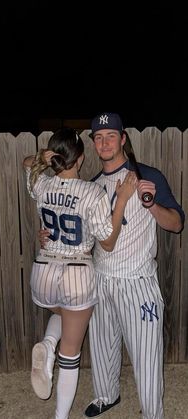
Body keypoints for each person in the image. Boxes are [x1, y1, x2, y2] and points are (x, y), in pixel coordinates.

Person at [39, 114, 185, 419]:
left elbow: (176, 224)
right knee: (103, 346)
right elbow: (80, 236)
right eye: (98, 137)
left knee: (146, 355)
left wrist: (152, 205)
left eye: (110, 136)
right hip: (100, 277)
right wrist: (50, 236)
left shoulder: (149, 176)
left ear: (122, 139)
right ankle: (106, 396)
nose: (104, 142)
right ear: (93, 145)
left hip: (137, 280)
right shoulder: (91, 186)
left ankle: (152, 413)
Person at [23, 126, 137, 419]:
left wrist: (42, 158)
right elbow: (108, 242)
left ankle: (48, 345)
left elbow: (27, 164)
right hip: (76, 272)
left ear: (54, 158)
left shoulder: (42, 185)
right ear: (82, 158)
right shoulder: (92, 191)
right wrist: (122, 199)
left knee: (60, 313)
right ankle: (60, 416)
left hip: (44, 269)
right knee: (70, 355)